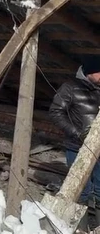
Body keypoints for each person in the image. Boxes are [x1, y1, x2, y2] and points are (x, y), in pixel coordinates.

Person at [50, 54, 100, 206]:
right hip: (77, 146)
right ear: (90, 72)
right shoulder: (70, 87)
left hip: (98, 148)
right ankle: (79, 218)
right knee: (81, 189)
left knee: (99, 188)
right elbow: (55, 112)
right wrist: (77, 133)